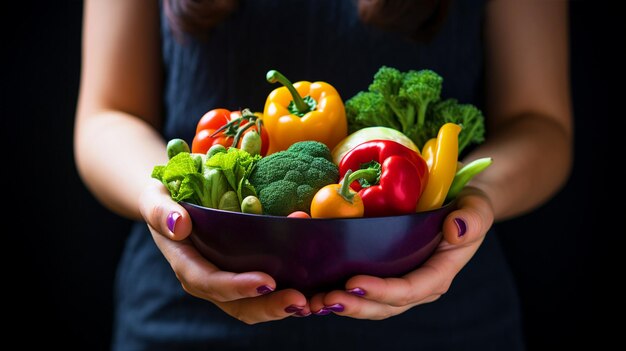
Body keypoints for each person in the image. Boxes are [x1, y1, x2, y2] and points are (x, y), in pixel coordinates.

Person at [74, 0, 572, 349]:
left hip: (445, 313)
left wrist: (471, 198)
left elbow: (542, 124)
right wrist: (160, 199)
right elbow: (106, 114)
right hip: (181, 311)